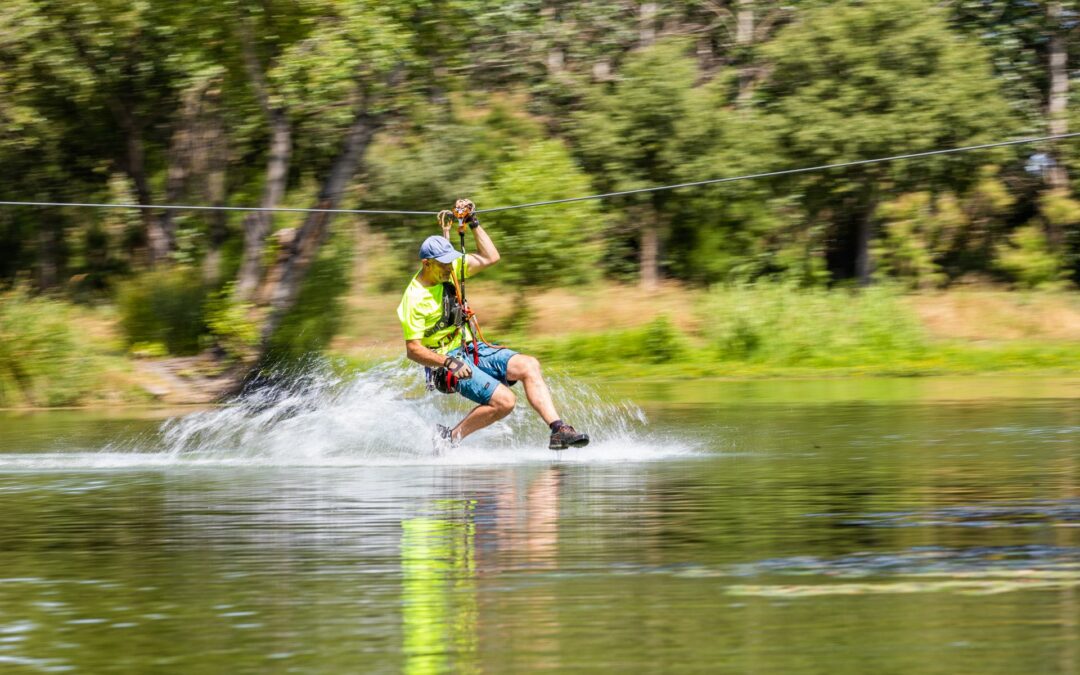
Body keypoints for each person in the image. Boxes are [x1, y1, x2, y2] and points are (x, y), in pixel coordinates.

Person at [396, 201, 589, 452]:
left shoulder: (450, 268)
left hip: (470, 347)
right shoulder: (413, 299)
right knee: (506, 402)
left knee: (529, 365)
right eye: (443, 264)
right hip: (445, 365)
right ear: (426, 264)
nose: (449, 267)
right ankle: (449, 438)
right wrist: (447, 362)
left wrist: (473, 222)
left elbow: (490, 256)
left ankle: (559, 430)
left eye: (449, 262)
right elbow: (413, 350)